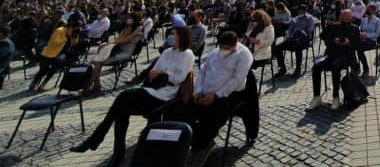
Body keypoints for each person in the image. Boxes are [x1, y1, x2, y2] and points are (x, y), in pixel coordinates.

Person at [70, 26, 195, 167]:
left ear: (181, 36)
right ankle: (113, 150)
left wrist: (163, 74)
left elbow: (179, 77)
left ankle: (102, 144)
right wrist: (157, 73)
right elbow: (154, 70)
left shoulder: (188, 54)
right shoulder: (167, 52)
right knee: (121, 109)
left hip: (165, 93)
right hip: (152, 89)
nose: (170, 37)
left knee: (123, 98)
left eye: (173, 34)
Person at [185, 31, 254, 164]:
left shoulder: (244, 54)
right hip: (204, 92)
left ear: (235, 45)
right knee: (186, 111)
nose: (223, 51)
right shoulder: (215, 52)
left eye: (227, 48)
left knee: (211, 116)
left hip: (228, 94)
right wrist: (198, 91)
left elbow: (237, 79)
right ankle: (194, 141)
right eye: (222, 47)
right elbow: (203, 71)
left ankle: (201, 147)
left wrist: (216, 96)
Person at [308, 9, 359, 111]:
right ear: (340, 17)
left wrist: (349, 42)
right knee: (317, 66)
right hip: (331, 54)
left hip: (346, 55)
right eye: (344, 16)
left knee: (336, 66)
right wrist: (333, 41)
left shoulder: (355, 28)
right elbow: (323, 36)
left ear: (351, 18)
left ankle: (336, 97)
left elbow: (357, 44)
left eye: (348, 17)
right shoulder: (333, 26)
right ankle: (316, 97)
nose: (346, 19)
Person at [86, 13, 143, 94]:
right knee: (97, 62)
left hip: (126, 52)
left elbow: (126, 39)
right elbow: (120, 39)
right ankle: (95, 85)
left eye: (130, 18)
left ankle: (90, 87)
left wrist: (109, 43)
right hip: (118, 49)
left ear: (135, 19)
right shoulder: (127, 28)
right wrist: (111, 42)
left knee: (97, 62)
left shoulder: (139, 28)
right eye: (128, 18)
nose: (128, 19)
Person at [29, 18, 81, 91]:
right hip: (48, 54)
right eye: (75, 29)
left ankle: (43, 84)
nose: (75, 30)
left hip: (59, 55)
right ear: (71, 26)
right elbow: (55, 42)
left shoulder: (73, 34)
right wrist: (65, 37)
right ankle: (34, 83)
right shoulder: (60, 30)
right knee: (43, 70)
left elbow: (73, 45)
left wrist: (75, 36)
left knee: (53, 70)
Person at [274, 4, 315, 78]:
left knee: (298, 47)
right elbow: (290, 30)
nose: (299, 13)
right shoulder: (295, 19)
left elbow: (309, 31)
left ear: (304, 11)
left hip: (303, 40)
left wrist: (300, 32)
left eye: (300, 11)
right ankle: (282, 68)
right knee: (277, 47)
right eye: (298, 11)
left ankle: (298, 69)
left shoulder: (310, 19)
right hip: (292, 39)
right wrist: (289, 35)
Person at [357, 5, 380, 76]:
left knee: (359, 49)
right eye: (367, 10)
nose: (367, 11)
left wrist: (367, 36)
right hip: (362, 39)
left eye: (369, 10)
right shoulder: (364, 20)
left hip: (372, 41)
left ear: (374, 11)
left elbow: (377, 34)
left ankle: (366, 68)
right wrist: (360, 33)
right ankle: (355, 67)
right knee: (352, 47)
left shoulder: (377, 20)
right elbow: (359, 28)